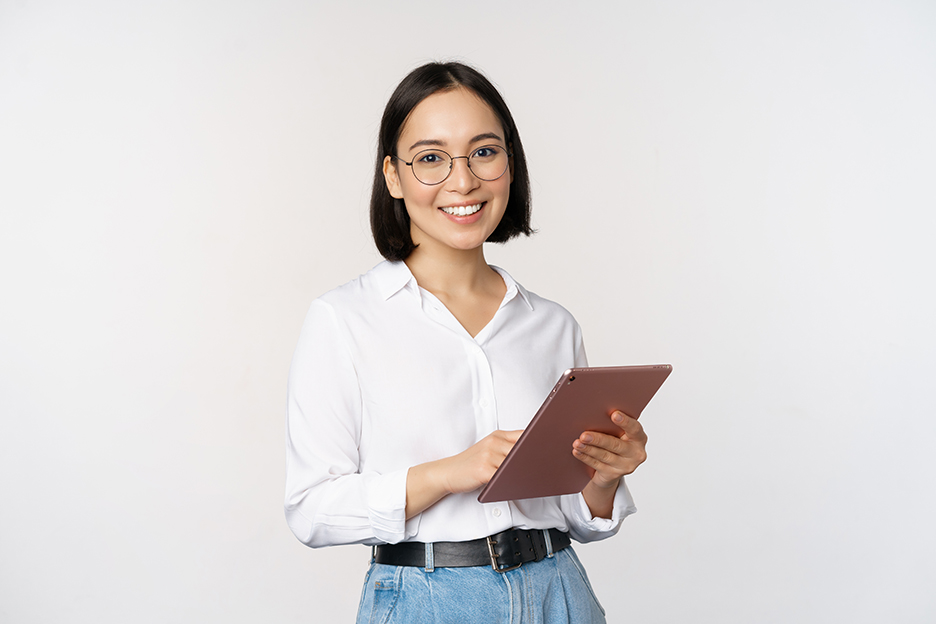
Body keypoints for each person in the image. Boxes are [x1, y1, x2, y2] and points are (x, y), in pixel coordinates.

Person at [285, 61, 649, 623]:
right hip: (426, 601)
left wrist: (603, 476)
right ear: (393, 175)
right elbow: (312, 511)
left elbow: (577, 515)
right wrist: (451, 472)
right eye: (431, 158)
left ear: (510, 161)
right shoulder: (344, 319)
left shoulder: (552, 325)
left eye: (484, 151)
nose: (463, 182)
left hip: (559, 591)